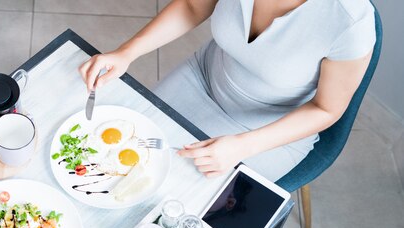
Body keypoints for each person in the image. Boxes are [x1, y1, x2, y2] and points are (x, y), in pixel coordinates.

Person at [79, 0, 376, 182]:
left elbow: (327, 109)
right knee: (114, 157)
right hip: (204, 78)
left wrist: (243, 146)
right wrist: (126, 53)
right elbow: (192, 6)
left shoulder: (351, 20)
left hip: (270, 128)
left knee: (176, 206)